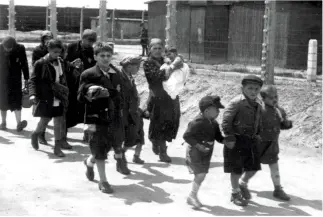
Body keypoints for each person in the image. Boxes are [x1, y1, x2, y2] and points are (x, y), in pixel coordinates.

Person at [79, 43, 129, 192]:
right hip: (96, 117)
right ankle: (103, 181)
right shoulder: (88, 74)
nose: (106, 58)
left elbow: (121, 95)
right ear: (95, 57)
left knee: (108, 147)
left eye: (108, 55)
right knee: (99, 148)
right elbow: (80, 97)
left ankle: (89, 162)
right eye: (102, 56)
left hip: (114, 117)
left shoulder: (117, 73)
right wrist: (91, 91)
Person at [222, 75, 263, 206]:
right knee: (236, 169)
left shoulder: (258, 102)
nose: (253, 91)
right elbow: (226, 121)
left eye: (256, 89)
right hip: (236, 140)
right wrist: (230, 137)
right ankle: (235, 193)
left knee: (254, 167)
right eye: (250, 88)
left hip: (251, 140)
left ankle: (242, 184)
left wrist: (259, 134)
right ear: (242, 88)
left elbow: (258, 120)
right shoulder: (237, 102)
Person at [29, 39, 70, 157]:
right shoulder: (40, 63)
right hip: (46, 97)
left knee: (58, 122)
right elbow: (33, 80)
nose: (57, 54)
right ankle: (35, 134)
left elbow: (63, 75)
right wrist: (33, 94)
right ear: (48, 50)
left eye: (59, 52)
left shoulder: (61, 62)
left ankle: (57, 148)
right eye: (55, 52)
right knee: (44, 121)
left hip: (59, 96)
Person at [143, 38, 181, 163]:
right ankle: (162, 151)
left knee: (170, 122)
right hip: (157, 97)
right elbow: (155, 78)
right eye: (155, 48)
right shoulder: (148, 63)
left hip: (171, 96)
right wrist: (169, 69)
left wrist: (173, 65)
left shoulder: (168, 60)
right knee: (159, 123)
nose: (158, 51)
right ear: (150, 50)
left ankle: (157, 142)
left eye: (160, 48)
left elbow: (181, 67)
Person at [183, 95, 224, 209]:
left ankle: (192, 196)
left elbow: (218, 137)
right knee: (201, 174)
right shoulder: (197, 122)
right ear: (207, 110)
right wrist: (199, 146)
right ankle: (192, 196)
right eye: (217, 109)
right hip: (195, 152)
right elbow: (187, 136)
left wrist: (226, 141)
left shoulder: (214, 123)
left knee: (200, 175)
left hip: (206, 153)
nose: (219, 112)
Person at [259, 85, 293, 201]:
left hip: (272, 145)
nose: (275, 99)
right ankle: (240, 185)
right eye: (271, 97)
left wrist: (287, 124)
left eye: (276, 96)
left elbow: (282, 125)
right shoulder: (259, 110)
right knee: (248, 167)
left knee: (274, 168)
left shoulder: (279, 110)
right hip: (258, 145)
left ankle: (278, 189)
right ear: (263, 98)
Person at [66, 29, 97, 142]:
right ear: (82, 38)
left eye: (92, 42)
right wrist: (72, 65)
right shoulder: (71, 47)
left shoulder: (91, 50)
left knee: (85, 109)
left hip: (84, 83)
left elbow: (93, 64)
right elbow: (63, 62)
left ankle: (86, 134)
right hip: (71, 83)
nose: (90, 44)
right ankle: (63, 136)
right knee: (69, 109)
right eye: (89, 41)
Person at [119, 55, 146, 165]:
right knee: (130, 137)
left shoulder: (129, 76)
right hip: (126, 113)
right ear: (129, 66)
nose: (139, 69)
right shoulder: (119, 77)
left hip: (134, 111)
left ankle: (136, 156)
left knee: (140, 135)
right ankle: (121, 154)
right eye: (137, 67)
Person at [0, 36, 29, 132]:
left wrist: (26, 78)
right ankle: (3, 122)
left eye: (9, 48)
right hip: (2, 79)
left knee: (17, 101)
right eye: (6, 48)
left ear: (14, 46)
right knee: (2, 101)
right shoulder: (0, 48)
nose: (7, 50)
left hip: (15, 79)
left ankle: (18, 123)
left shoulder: (20, 48)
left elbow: (24, 63)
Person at [31, 30, 54, 145]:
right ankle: (40, 135)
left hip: (53, 84)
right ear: (42, 39)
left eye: (50, 38)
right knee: (44, 114)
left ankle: (40, 132)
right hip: (42, 84)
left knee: (49, 115)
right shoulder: (38, 50)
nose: (48, 40)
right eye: (46, 38)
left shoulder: (55, 49)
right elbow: (35, 65)